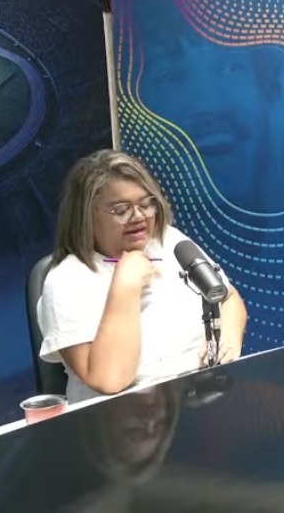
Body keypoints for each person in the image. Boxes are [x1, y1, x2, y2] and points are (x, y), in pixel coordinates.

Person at [38, 149, 248, 404]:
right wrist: (126, 286)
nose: (138, 216)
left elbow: (227, 298)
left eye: (147, 204)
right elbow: (110, 380)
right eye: (121, 209)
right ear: (86, 215)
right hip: (124, 418)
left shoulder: (169, 241)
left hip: (196, 402)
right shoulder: (66, 281)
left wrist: (228, 337)